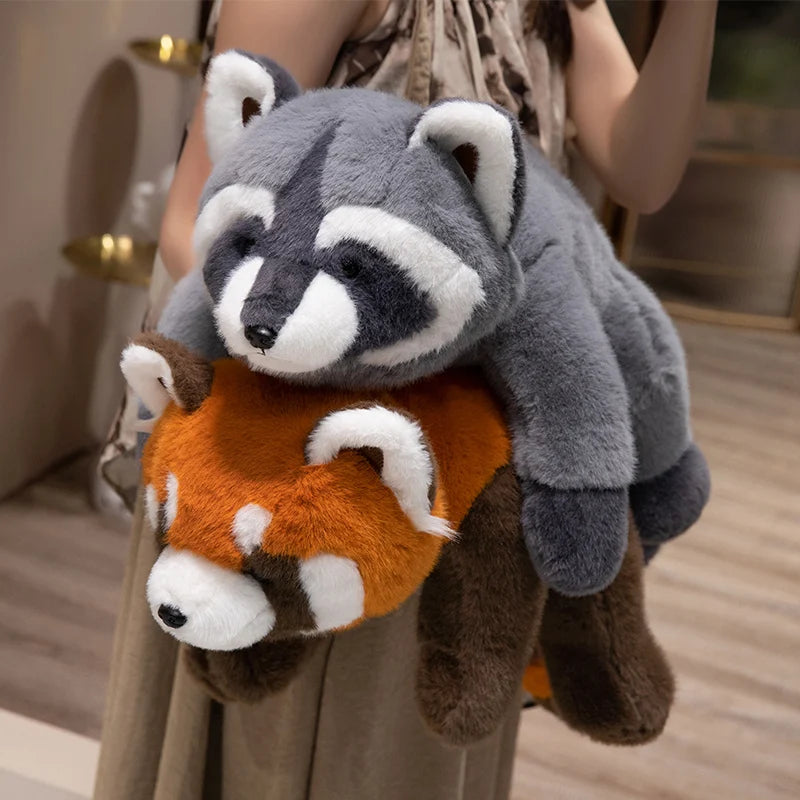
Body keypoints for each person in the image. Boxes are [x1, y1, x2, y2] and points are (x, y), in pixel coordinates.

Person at [94, 3, 717, 799]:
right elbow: (196, 224)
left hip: (470, 461)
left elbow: (644, 172)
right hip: (304, 454)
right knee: (285, 738)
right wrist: (318, 408)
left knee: (419, 742)